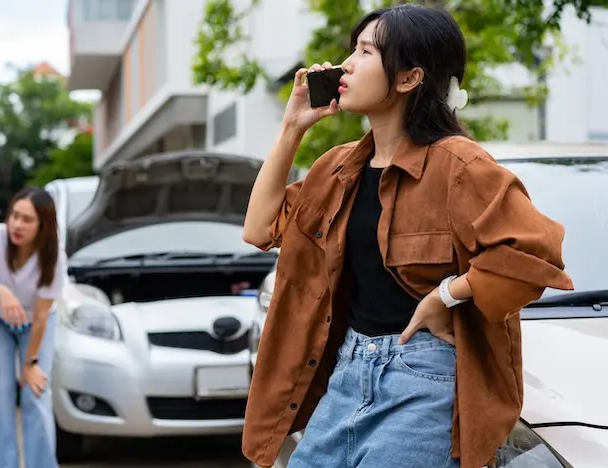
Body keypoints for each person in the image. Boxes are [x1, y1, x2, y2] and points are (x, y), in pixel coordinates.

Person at [240, 5, 573, 468]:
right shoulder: (337, 169)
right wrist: (292, 128)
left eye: (365, 51)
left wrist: (449, 294)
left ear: (408, 78)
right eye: (351, 50)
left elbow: (535, 252)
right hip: (345, 373)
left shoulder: (461, 166)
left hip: (424, 378)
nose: (347, 64)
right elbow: (259, 228)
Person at [0, 187, 67, 468]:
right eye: (14, 216)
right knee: (0, 398)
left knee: (36, 396)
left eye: (27, 220)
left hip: (36, 326)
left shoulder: (54, 256)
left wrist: (30, 363)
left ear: (43, 226)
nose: (17, 225)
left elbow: (42, 316)